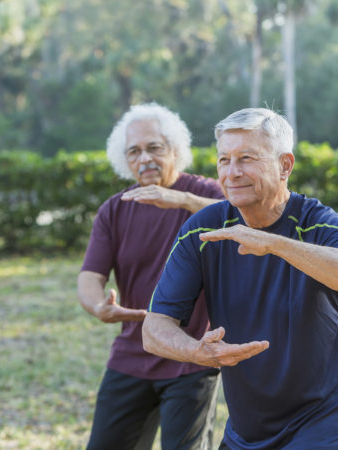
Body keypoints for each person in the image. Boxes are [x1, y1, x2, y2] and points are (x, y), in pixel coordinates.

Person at [142, 107, 338, 450]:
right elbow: (153, 330)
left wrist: (274, 244)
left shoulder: (316, 222)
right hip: (248, 425)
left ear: (285, 165)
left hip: (326, 416)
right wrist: (197, 352)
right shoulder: (203, 229)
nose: (232, 172)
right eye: (224, 159)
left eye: (246, 158)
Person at [77, 102, 225, 450]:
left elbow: (237, 216)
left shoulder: (204, 194)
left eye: (154, 148)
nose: (144, 159)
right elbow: (89, 276)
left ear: (175, 149)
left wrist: (180, 200)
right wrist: (98, 306)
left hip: (192, 354)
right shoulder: (115, 209)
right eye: (134, 151)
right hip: (133, 351)